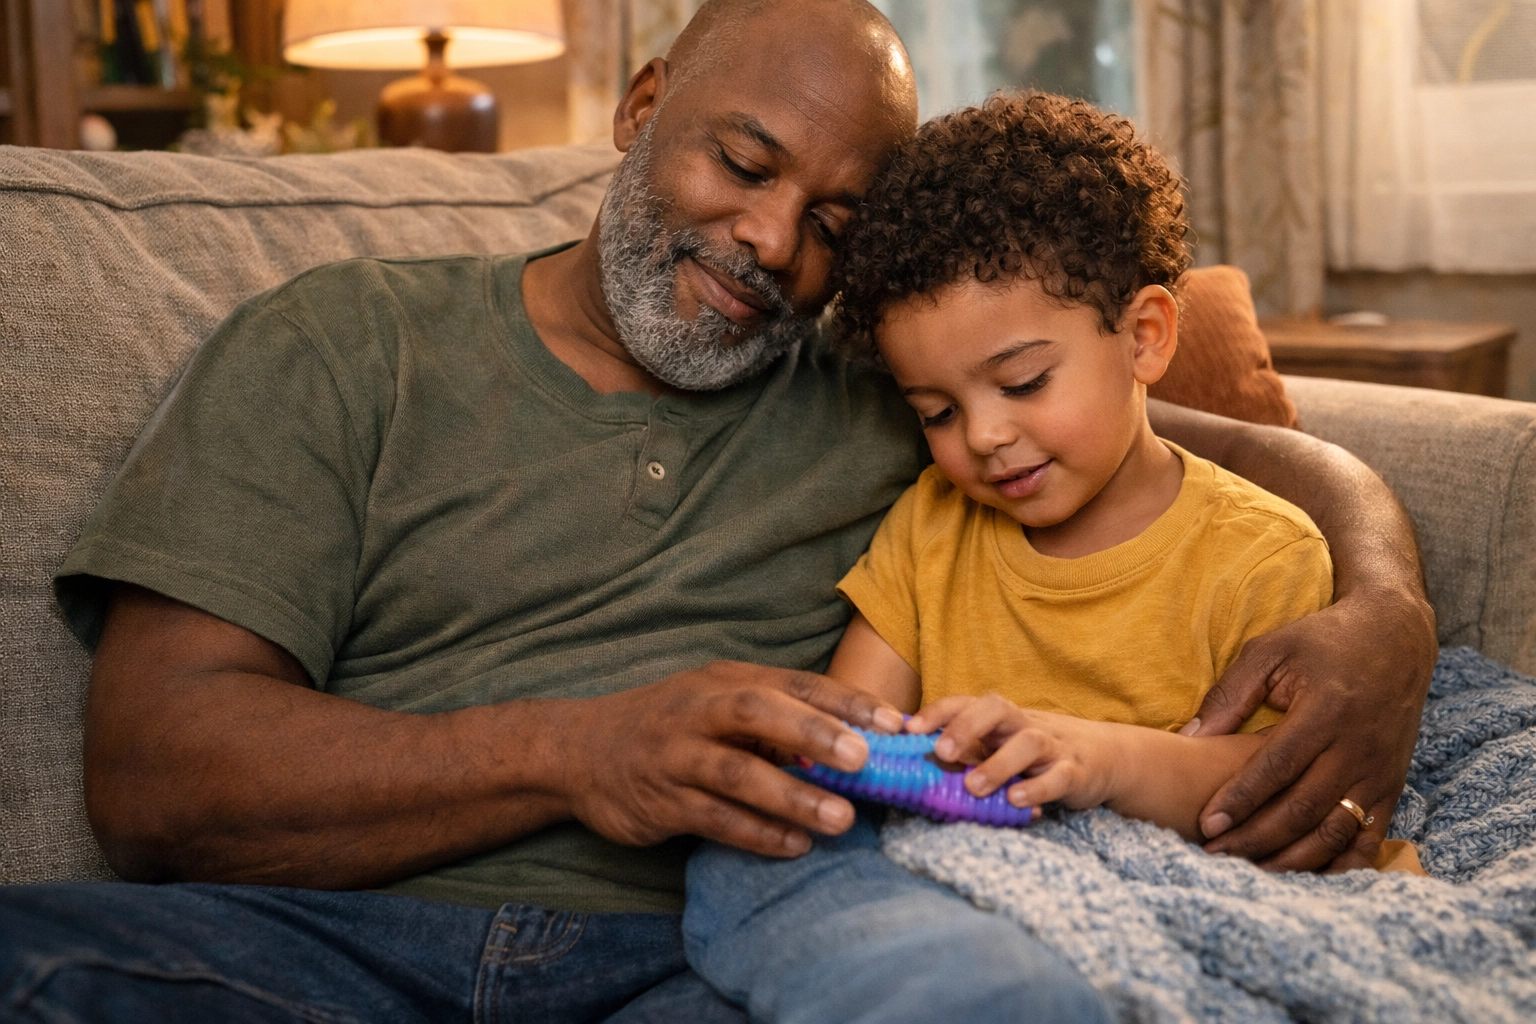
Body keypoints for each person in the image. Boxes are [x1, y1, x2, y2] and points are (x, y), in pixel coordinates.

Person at [0, 1, 1434, 1020]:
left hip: (706, 962)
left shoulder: (906, 400)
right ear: (642, 107)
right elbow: (152, 779)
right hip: (324, 948)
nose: (768, 240)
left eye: (835, 223)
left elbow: (1193, 440)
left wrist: (1383, 608)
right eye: (743, 165)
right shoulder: (339, 341)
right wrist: (575, 750)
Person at [686, 97, 1427, 1012]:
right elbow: (863, 720)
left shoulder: (1261, 550)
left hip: (1189, 885)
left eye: (1024, 382)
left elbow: (1278, 782)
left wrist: (1095, 759)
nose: (986, 438)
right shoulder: (934, 523)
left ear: (1145, 337)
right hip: (977, 906)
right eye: (938, 413)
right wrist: (834, 747)